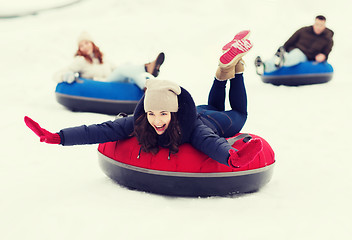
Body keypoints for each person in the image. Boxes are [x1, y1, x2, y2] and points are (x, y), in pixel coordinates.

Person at [25, 31, 263, 169]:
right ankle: (224, 70)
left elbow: (211, 143)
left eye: (163, 114)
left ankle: (236, 69)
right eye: (152, 113)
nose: (156, 120)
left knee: (239, 113)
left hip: (216, 122)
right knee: (212, 105)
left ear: (173, 112)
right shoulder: (141, 122)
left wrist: (232, 157)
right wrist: (59, 137)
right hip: (204, 109)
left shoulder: (194, 128)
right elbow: (101, 130)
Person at [54, 31, 165, 90]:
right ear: (79, 49)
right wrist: (65, 76)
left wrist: (129, 72)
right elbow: (57, 74)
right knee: (123, 69)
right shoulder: (81, 61)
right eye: (81, 45)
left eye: (86, 43)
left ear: (92, 44)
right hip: (103, 85)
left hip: (113, 81)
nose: (85, 47)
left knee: (127, 65)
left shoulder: (102, 58)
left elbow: (119, 69)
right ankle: (147, 68)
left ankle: (146, 87)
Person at [255, 15, 334, 75]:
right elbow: (290, 41)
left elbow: (326, 52)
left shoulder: (327, 39)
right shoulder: (304, 31)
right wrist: (282, 49)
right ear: (314, 23)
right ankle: (263, 66)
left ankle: (280, 60)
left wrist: (323, 56)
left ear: (324, 25)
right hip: (293, 50)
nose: (318, 27)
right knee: (287, 56)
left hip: (306, 56)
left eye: (321, 25)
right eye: (317, 24)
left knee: (295, 56)